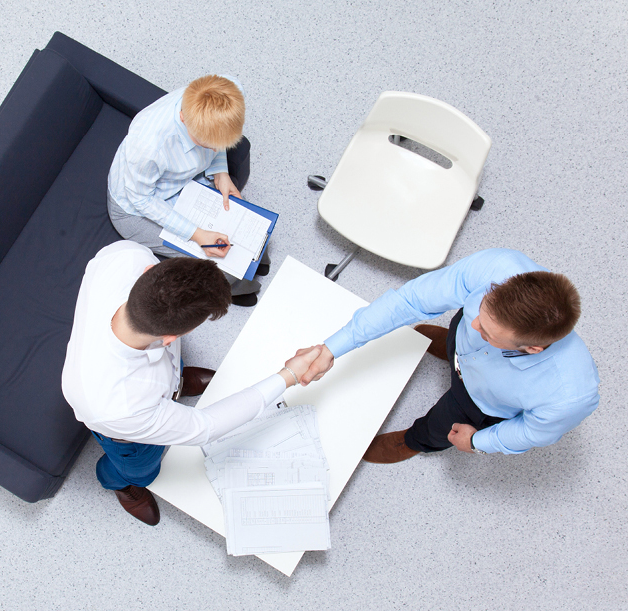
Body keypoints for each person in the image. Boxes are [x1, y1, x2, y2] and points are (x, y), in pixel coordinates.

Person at [62, 241, 319, 525]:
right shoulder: (119, 407)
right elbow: (206, 427)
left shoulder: (128, 255)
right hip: (129, 436)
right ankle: (118, 483)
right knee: (141, 470)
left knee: (174, 373)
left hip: (153, 386)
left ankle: (178, 385)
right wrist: (289, 375)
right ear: (170, 338)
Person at [294, 248, 599, 462]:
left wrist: (477, 441)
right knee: (457, 332)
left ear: (532, 348)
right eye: (480, 311)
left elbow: (529, 432)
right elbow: (410, 301)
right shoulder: (498, 267)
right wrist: (331, 348)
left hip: (478, 402)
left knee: (440, 426)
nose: (474, 324)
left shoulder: (569, 397)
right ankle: (450, 348)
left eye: (487, 333)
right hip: (462, 348)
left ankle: (414, 442)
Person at [107, 74, 266, 307]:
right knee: (219, 263)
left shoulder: (226, 91)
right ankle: (232, 288)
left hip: (183, 179)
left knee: (243, 222)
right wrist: (197, 234)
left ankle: (255, 261)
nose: (216, 149)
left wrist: (221, 172)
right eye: (208, 145)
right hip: (137, 207)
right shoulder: (148, 147)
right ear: (183, 119)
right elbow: (141, 200)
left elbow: (216, 144)